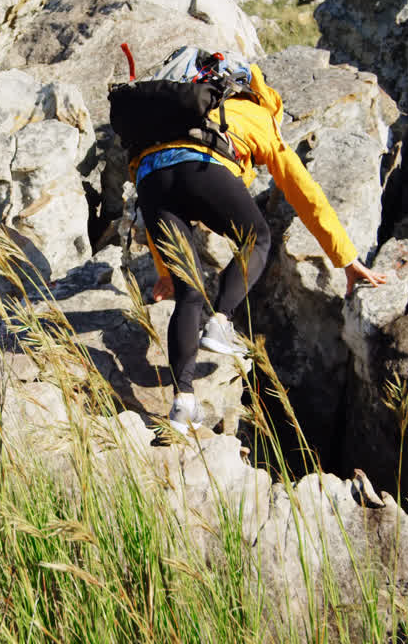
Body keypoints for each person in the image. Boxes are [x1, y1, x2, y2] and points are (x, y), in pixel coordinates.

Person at [130, 55, 387, 434]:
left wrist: (166, 270)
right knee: (258, 238)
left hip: (150, 180)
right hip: (201, 167)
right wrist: (346, 258)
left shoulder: (183, 115)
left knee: (188, 292)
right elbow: (305, 194)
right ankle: (221, 322)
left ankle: (183, 403)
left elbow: (162, 180)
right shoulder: (259, 115)